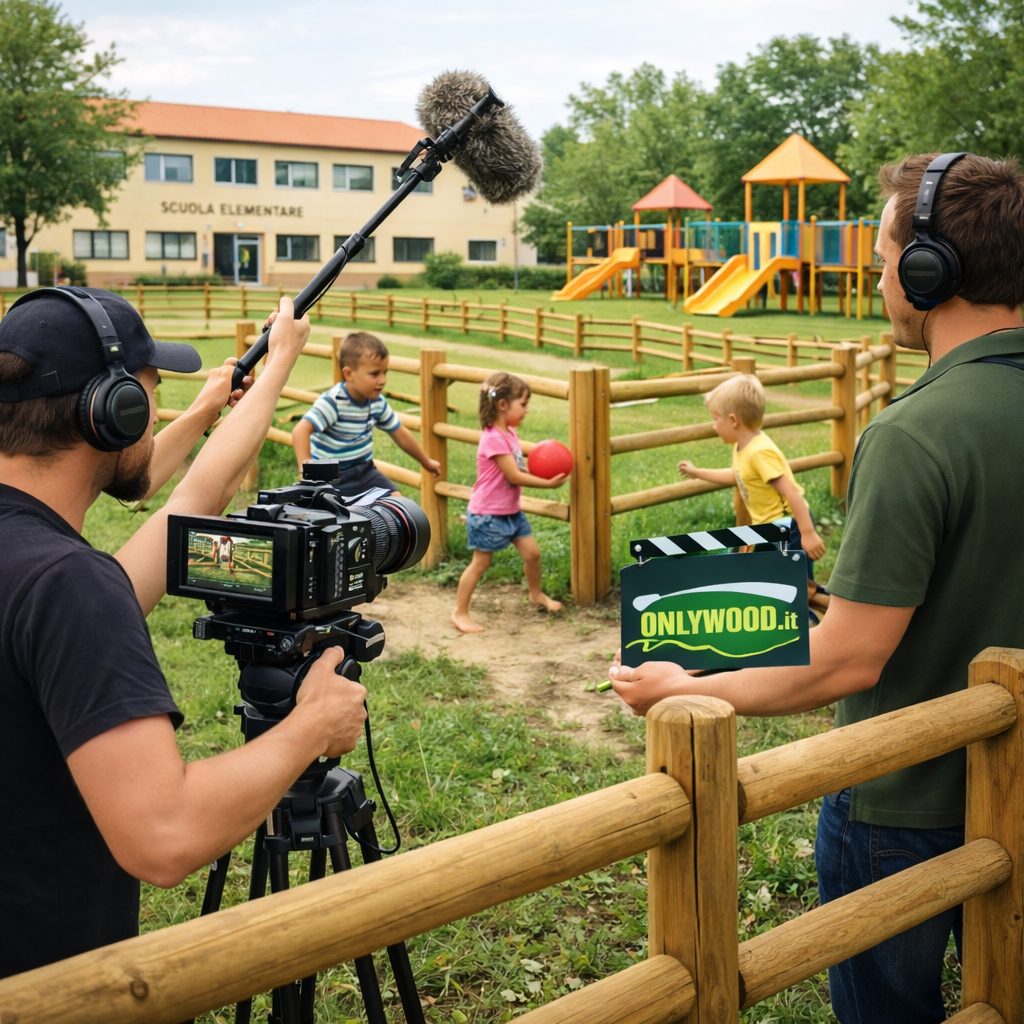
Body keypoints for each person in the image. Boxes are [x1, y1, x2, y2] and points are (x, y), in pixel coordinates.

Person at [607, 153, 1024, 1024]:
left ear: (929, 271)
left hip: (904, 801)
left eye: (883, 257)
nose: (878, 276)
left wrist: (684, 683)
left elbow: (850, 662)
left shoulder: (915, 434)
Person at [0, 288, 368, 979]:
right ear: (115, 411)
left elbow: (191, 506)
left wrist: (232, 393)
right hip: (48, 987)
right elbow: (163, 836)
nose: (159, 409)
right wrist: (313, 726)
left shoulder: (45, 576)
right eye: (154, 392)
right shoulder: (67, 586)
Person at [677, 373, 827, 577]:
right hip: (769, 530)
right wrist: (697, 473)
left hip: (790, 527)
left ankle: (823, 606)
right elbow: (737, 476)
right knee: (774, 584)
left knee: (798, 589)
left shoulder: (759, 452)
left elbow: (791, 492)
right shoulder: (744, 447)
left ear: (733, 420)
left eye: (715, 419)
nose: (713, 426)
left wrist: (807, 533)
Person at [450, 371, 566, 633]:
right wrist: (548, 484)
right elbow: (513, 475)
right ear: (503, 405)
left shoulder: (509, 433)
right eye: (523, 404)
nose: (526, 410)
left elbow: (519, 469)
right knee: (481, 564)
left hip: (511, 511)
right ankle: (459, 612)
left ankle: (536, 594)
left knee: (533, 554)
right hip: (487, 514)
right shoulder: (493, 438)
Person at [291, 331, 440, 496]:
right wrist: (305, 471)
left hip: (365, 472)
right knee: (342, 517)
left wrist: (426, 462)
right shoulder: (334, 402)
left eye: (385, 372)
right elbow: (301, 431)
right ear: (349, 374)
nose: (382, 380)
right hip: (330, 477)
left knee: (398, 504)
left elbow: (399, 433)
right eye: (375, 374)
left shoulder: (377, 402)